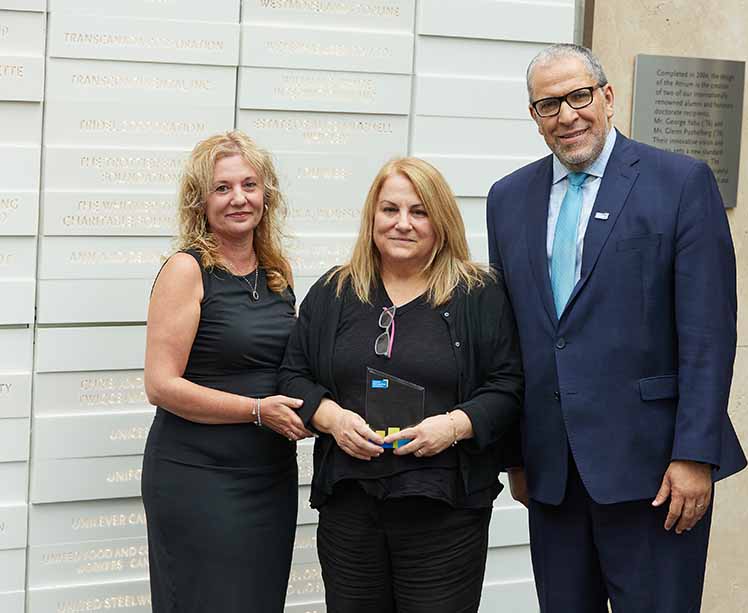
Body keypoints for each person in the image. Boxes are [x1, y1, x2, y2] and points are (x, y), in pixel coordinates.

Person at [486, 44, 747, 613]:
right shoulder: (507, 199)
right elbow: (510, 339)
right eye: (548, 104)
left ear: (607, 97)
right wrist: (517, 457)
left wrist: (695, 454)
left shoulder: (680, 183)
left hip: (655, 474)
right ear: (534, 117)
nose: (567, 115)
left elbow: (708, 335)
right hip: (552, 476)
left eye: (579, 96)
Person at [279, 157, 523, 613]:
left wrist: (452, 426)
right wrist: (332, 419)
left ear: (441, 220)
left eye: (419, 211)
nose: (402, 224)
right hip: (351, 507)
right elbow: (293, 375)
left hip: (445, 511)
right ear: (372, 217)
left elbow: (507, 385)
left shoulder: (478, 294)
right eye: (390, 210)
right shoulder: (334, 292)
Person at [141, 130, 312, 612]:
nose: (239, 198)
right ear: (200, 202)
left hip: (269, 479)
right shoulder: (186, 270)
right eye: (222, 188)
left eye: (250, 185)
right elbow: (161, 385)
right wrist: (257, 410)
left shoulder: (278, 273)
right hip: (198, 477)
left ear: (266, 195)